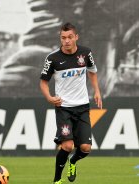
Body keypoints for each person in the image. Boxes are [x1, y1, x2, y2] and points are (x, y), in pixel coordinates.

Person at [39, 23, 102, 184]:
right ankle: (57, 180)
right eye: (63, 38)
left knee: (85, 149)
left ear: (76, 37)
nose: (66, 41)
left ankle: (72, 162)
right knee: (67, 146)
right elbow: (43, 82)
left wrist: (97, 91)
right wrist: (49, 97)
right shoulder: (52, 58)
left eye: (69, 37)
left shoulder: (85, 53)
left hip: (82, 107)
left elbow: (92, 71)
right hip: (64, 108)